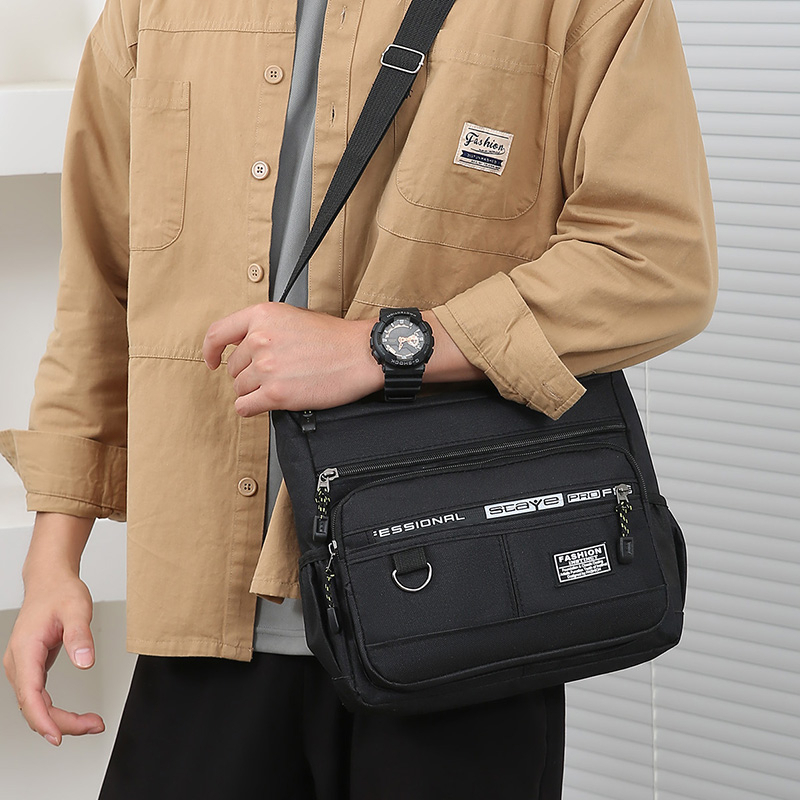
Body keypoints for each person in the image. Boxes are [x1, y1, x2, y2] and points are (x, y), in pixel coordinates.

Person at [1, 0, 717, 797]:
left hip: (462, 612)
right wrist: (52, 560)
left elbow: (657, 262)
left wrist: (381, 347)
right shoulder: (150, 9)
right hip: (206, 613)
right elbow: (100, 293)